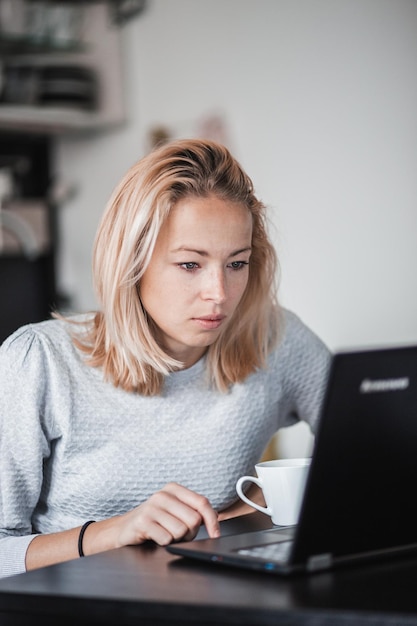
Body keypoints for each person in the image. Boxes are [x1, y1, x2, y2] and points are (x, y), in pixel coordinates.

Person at [0, 138, 331, 578]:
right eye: (190, 265)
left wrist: (260, 504)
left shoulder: (273, 337)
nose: (219, 293)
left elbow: (375, 445)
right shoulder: (38, 361)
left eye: (237, 263)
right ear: (130, 262)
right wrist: (112, 533)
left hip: (222, 604)